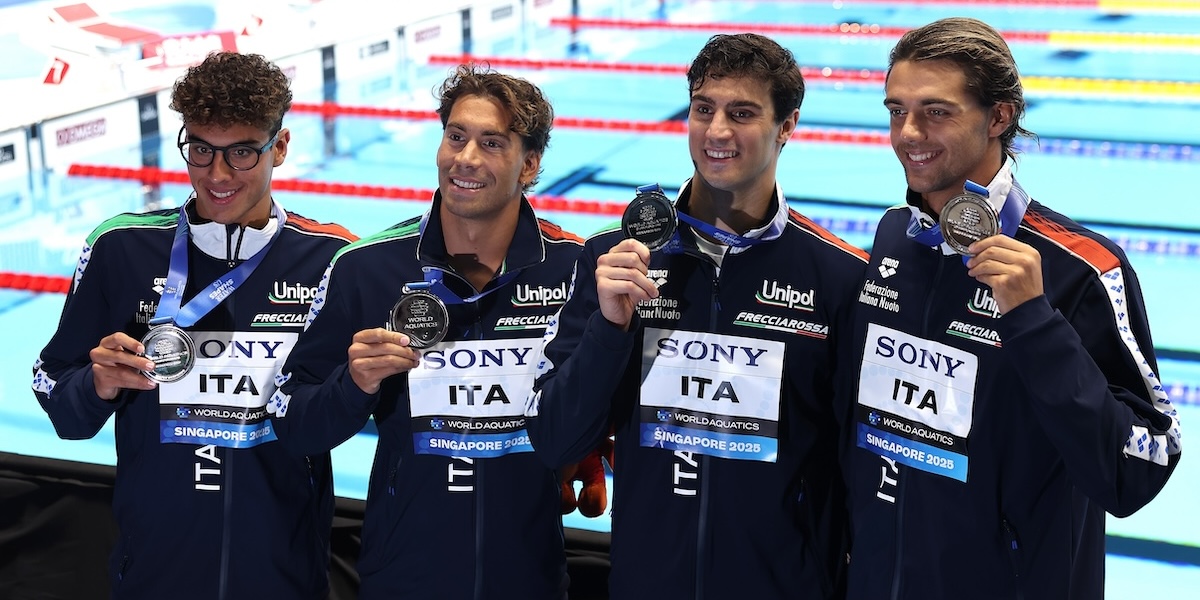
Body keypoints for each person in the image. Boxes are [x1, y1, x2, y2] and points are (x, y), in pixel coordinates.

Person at [837, 17, 1183, 599]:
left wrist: (1034, 320)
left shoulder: (1080, 270)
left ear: (998, 117)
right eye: (896, 110)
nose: (908, 133)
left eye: (936, 111)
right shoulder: (894, 237)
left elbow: (1141, 468)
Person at [525, 33, 868, 598]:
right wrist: (609, 328)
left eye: (742, 113)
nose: (716, 132)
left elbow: (856, 466)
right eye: (703, 109)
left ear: (787, 126)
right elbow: (555, 442)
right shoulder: (615, 260)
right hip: (649, 581)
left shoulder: (836, 276)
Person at [31, 51, 356, 598]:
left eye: (242, 152)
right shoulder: (122, 247)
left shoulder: (329, 258)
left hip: (282, 568)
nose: (217, 174)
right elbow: (54, 390)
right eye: (201, 149)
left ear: (280, 146)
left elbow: (365, 409)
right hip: (155, 566)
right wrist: (97, 383)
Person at [268, 64, 582, 599]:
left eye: (491, 143)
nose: (465, 158)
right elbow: (294, 423)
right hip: (405, 574)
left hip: (528, 573)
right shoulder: (367, 269)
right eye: (455, 136)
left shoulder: (572, 269)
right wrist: (354, 384)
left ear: (529, 165)